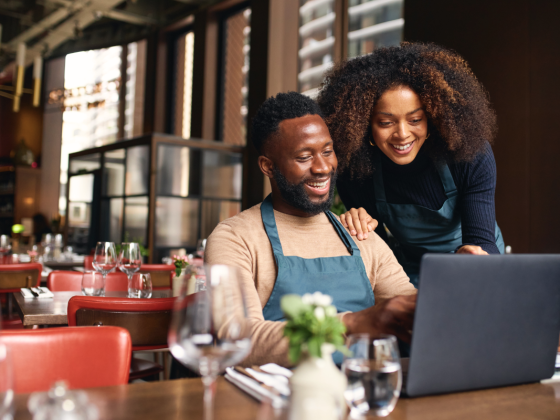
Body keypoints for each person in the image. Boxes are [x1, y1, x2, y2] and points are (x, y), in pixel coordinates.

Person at [205, 92, 416, 367]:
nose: (323, 167)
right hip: (276, 402)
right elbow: (236, 338)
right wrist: (353, 323)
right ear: (268, 166)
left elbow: (410, 310)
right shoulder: (235, 238)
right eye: (304, 157)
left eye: (328, 151)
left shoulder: (360, 233)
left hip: (364, 393)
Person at [317, 42, 504, 286]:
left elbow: (482, 240)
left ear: (433, 117)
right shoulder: (356, 171)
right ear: (364, 126)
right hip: (412, 271)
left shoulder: (468, 154)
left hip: (475, 264)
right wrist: (358, 228)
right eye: (386, 123)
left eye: (415, 119)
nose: (403, 134)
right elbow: (379, 256)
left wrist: (473, 256)